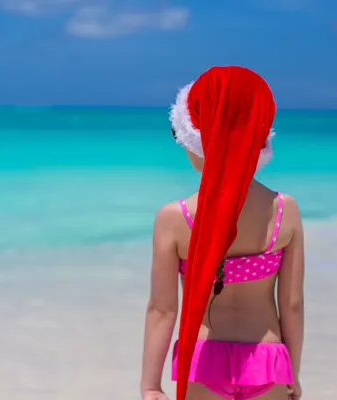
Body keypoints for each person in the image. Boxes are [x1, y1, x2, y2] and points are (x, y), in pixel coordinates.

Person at [140, 66, 305, 400]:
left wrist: (150, 385)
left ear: (198, 137)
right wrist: (294, 374)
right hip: (268, 361)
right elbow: (292, 304)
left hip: (203, 361)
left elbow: (163, 309)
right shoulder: (283, 210)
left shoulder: (176, 217)